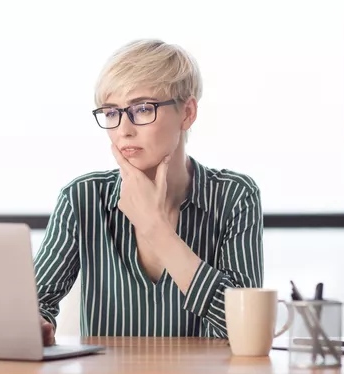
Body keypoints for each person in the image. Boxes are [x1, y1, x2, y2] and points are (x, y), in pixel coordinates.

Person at [33, 39, 263, 345]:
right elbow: (35, 304)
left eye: (142, 109)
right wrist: (33, 323)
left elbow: (247, 331)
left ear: (187, 113)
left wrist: (156, 229)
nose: (124, 129)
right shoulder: (82, 197)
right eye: (112, 113)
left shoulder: (235, 196)